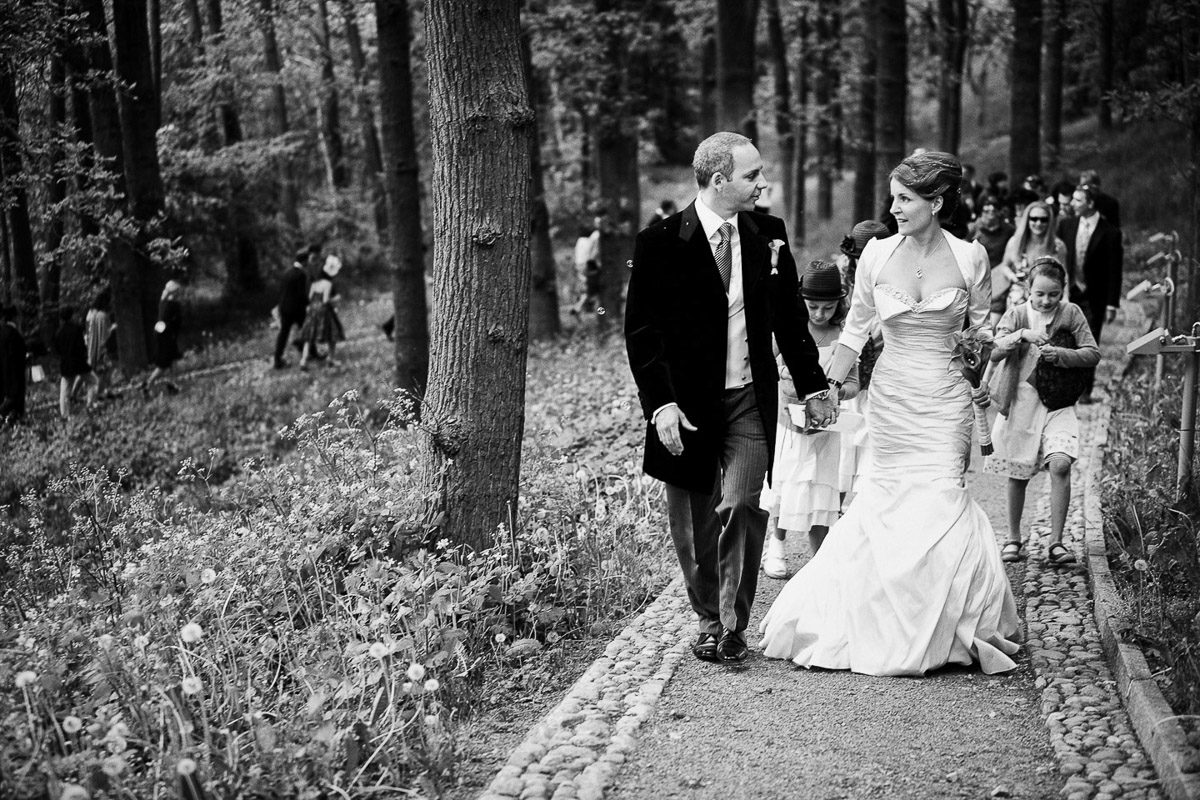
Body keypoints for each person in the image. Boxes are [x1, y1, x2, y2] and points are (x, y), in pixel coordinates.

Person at [758, 150, 1021, 677]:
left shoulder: (972, 257)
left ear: (936, 202)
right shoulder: (876, 255)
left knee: (942, 494)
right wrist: (828, 388)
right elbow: (855, 330)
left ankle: (944, 626)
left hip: (945, 397)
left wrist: (979, 357)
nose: (894, 208)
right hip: (894, 396)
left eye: (905, 199)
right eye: (894, 198)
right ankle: (881, 623)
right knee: (885, 499)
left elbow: (981, 328)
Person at [624, 131, 836, 665]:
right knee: (695, 521)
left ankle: (733, 625)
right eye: (752, 175)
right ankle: (708, 620)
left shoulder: (769, 235)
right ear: (719, 181)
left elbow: (790, 320)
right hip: (686, 407)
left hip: (747, 398)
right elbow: (642, 334)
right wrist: (661, 405)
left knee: (741, 502)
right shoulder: (659, 242)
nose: (763, 183)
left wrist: (813, 386)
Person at [985, 257, 1099, 566]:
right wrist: (1021, 336)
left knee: (1060, 464)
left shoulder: (1071, 313)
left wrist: (1061, 354)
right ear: (1028, 290)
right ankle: (1013, 538)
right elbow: (993, 351)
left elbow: (1092, 353)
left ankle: (1056, 542)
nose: (1047, 301)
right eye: (1040, 294)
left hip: (1059, 402)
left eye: (1053, 294)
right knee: (1018, 472)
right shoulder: (1016, 314)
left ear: (1063, 290)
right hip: (1022, 402)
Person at [760, 260, 859, 579]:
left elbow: (854, 382)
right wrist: (785, 378)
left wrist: (837, 391)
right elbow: (764, 366)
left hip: (825, 430)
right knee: (787, 484)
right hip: (790, 425)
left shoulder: (842, 337)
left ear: (838, 305)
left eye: (827, 308)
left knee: (821, 490)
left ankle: (821, 560)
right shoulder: (789, 330)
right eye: (813, 306)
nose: (819, 314)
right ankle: (776, 545)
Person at [1057, 184, 1122, 401]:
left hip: (1095, 296)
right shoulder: (1066, 225)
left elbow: (1115, 269)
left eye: (1078, 200)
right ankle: (1064, 386)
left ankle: (1085, 390)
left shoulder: (1110, 232)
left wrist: (1112, 303)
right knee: (1066, 338)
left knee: (1089, 340)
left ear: (1091, 203)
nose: (1072, 204)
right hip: (1069, 290)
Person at [992, 200, 1067, 329]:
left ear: (1050, 222)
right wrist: (1012, 277)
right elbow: (1005, 265)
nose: (1038, 223)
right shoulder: (1016, 242)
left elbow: (1064, 274)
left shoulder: (1057, 246)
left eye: (1043, 220)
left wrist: (1065, 298)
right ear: (1027, 220)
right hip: (1018, 296)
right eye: (1034, 219)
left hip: (1045, 298)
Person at [299, 255, 345, 370]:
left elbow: (310, 298)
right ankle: (331, 359)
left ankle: (303, 360)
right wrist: (335, 299)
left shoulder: (314, 284)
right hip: (323, 311)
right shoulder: (328, 284)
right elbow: (325, 300)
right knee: (332, 334)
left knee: (309, 335)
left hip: (312, 310)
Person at [54, 305, 97, 418]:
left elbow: (57, 350)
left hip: (66, 364)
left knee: (65, 390)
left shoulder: (59, 332)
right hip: (79, 362)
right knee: (93, 381)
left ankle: (65, 414)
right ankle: (90, 405)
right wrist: (84, 356)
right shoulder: (77, 329)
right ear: (71, 315)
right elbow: (81, 346)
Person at [274, 248, 311, 369]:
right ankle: (311, 352)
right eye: (307, 260)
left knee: (283, 333)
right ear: (304, 261)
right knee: (307, 329)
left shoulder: (287, 272)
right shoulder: (301, 274)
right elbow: (301, 294)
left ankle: (277, 359)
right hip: (296, 309)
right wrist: (308, 304)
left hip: (284, 308)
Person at [145, 280, 183, 391]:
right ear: (175, 291)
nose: (179, 293)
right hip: (168, 335)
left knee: (173, 360)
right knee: (164, 363)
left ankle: (173, 383)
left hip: (161, 332)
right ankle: (148, 383)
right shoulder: (173, 304)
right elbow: (175, 321)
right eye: (178, 291)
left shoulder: (163, 301)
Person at [85, 288, 115, 397]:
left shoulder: (91, 314)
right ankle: (101, 392)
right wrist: (112, 328)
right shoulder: (103, 316)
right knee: (105, 369)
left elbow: (88, 329)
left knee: (99, 369)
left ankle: (105, 390)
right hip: (101, 347)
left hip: (91, 345)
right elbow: (105, 333)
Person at [970, 196, 1014, 270]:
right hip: (980, 270)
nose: (992, 208)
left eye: (994, 205)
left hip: (1001, 270)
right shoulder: (973, 229)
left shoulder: (1008, 229)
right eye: (987, 205)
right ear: (981, 210)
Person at [0, 304, 27, 424]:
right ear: (15, 317)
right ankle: (15, 419)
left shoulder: (2, 332)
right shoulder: (14, 334)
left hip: (3, 371)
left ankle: (9, 421)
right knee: (15, 398)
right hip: (14, 372)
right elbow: (16, 356)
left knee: (7, 397)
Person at [570, 220, 602, 316]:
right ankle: (579, 307)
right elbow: (593, 253)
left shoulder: (580, 241)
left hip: (579, 264)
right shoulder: (592, 239)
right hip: (586, 265)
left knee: (585, 287)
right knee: (590, 288)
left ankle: (581, 306)